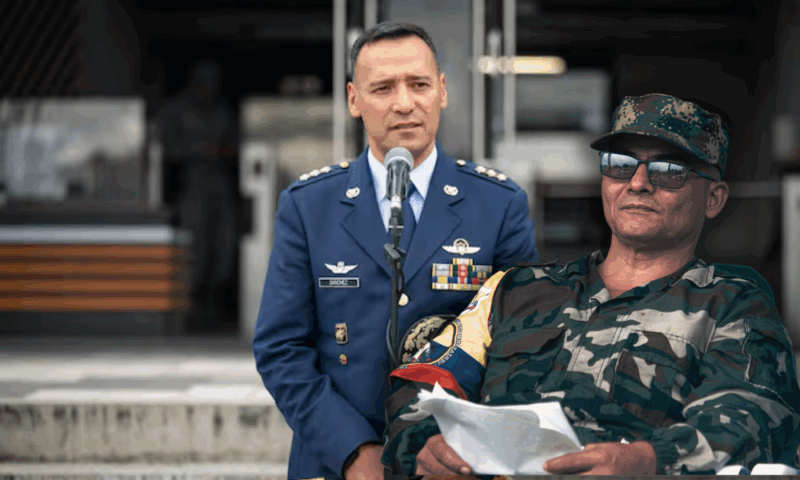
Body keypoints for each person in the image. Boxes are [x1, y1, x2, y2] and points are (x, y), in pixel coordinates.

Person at [381, 93, 800, 475]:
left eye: (669, 171)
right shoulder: (514, 290)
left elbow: (753, 421)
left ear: (713, 198)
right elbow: (422, 380)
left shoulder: (731, 304)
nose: (638, 182)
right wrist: (426, 444)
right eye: (620, 164)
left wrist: (647, 461)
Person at [251, 22, 538, 480]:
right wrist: (352, 450)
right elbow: (280, 347)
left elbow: (521, 342)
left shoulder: (498, 204)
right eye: (383, 88)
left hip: (457, 461)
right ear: (353, 99)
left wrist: (457, 447)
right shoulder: (309, 206)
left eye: (419, 85)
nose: (404, 103)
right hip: (336, 463)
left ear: (442, 91)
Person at [157, 59, 239, 330]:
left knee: (224, 243)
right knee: (193, 246)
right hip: (189, 182)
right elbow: (161, 148)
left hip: (219, 181)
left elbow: (236, 144)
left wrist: (222, 151)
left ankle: (214, 304)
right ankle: (187, 309)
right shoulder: (176, 110)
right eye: (204, 81)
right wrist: (197, 150)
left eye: (213, 81)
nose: (208, 87)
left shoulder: (222, 111)